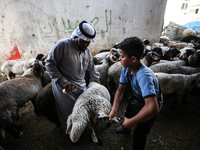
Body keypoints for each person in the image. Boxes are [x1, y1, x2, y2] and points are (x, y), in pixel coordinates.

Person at [109, 37, 163, 150]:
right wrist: (114, 109)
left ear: (133, 59)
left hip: (150, 103)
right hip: (137, 98)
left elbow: (153, 108)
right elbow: (119, 90)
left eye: (122, 56)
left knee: (140, 132)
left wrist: (132, 122)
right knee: (128, 113)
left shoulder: (144, 76)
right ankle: (126, 127)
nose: (119, 59)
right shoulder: (126, 68)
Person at [45, 20, 100, 132]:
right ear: (76, 36)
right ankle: (72, 133)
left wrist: (97, 84)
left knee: (85, 107)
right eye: (82, 41)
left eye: (88, 42)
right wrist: (63, 81)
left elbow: (92, 68)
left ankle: (84, 128)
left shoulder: (86, 51)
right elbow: (49, 64)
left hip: (80, 85)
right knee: (70, 111)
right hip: (64, 87)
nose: (85, 44)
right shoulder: (63, 45)